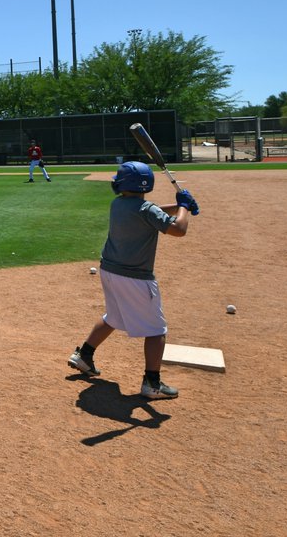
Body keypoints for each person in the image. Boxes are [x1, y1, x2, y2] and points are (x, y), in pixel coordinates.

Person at [68, 161, 199, 400]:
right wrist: (183, 209)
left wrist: (180, 207)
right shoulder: (145, 210)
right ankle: (152, 383)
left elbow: (150, 211)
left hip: (109, 270)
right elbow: (179, 229)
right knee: (156, 330)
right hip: (135, 277)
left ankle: (84, 355)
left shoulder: (119, 204)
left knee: (113, 317)